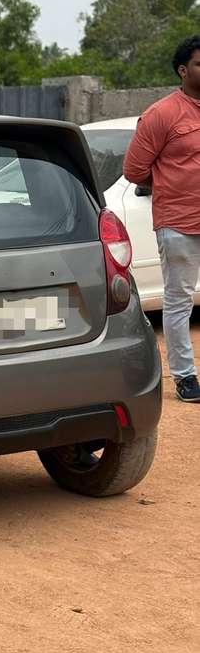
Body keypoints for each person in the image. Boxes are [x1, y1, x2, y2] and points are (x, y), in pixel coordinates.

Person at [124, 35, 200, 403]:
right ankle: (185, 376)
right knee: (179, 301)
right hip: (179, 223)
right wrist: (173, 182)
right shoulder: (162, 114)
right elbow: (135, 169)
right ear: (183, 70)